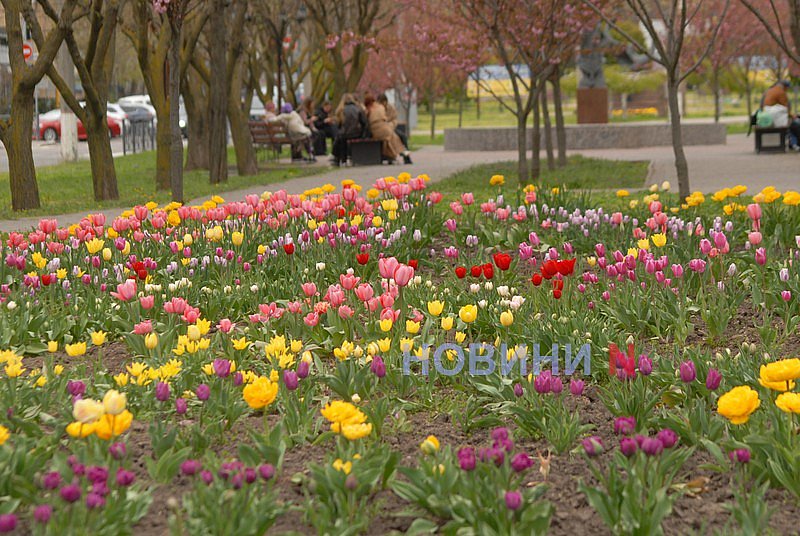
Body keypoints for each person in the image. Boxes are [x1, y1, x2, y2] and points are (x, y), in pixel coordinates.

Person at [364, 94, 412, 164]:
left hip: (391, 127)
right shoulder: (376, 108)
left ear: (386, 101)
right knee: (392, 137)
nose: (383, 104)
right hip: (383, 129)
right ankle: (396, 154)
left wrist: (391, 125)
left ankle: (406, 157)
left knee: (402, 136)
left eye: (384, 102)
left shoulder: (391, 108)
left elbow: (395, 120)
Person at [760, 80, 800, 150]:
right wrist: (793, 116)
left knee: (792, 124)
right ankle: (795, 144)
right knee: (796, 124)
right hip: (775, 119)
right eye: (787, 88)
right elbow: (786, 107)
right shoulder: (781, 92)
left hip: (766, 117)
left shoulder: (769, 91)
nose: (787, 90)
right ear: (784, 87)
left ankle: (793, 143)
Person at [332, 93, 368, 166]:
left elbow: (339, 125)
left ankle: (340, 159)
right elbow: (364, 122)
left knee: (339, 139)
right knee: (341, 138)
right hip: (356, 133)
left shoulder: (341, 110)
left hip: (344, 134)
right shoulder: (358, 108)